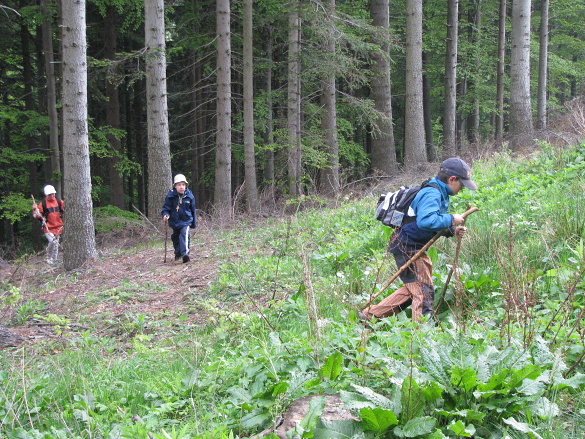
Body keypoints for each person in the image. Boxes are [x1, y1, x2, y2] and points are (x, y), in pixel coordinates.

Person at [362, 157, 478, 322]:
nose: (462, 189)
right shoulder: (432, 193)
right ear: (452, 179)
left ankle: (369, 317)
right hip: (408, 246)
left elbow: (426, 222)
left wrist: (451, 230)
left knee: (414, 289)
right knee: (423, 292)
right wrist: (451, 218)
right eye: (462, 184)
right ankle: (421, 337)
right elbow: (426, 221)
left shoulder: (438, 192)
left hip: (408, 245)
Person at [161, 174, 197, 263]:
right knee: (175, 237)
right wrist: (165, 215)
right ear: (175, 186)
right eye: (179, 185)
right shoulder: (170, 196)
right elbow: (166, 208)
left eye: (183, 185)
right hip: (174, 221)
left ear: (186, 186)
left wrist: (193, 223)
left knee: (184, 235)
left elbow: (193, 210)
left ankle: (185, 254)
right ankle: (178, 254)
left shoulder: (190, 196)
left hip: (186, 221)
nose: (181, 187)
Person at [32, 185, 64, 265]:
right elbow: (36, 216)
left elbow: (66, 209)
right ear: (46, 195)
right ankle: (49, 258)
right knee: (52, 242)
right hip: (48, 227)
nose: (52, 195)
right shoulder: (43, 204)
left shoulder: (59, 202)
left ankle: (54, 260)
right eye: (50, 194)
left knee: (56, 243)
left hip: (58, 227)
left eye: (53, 194)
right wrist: (35, 209)